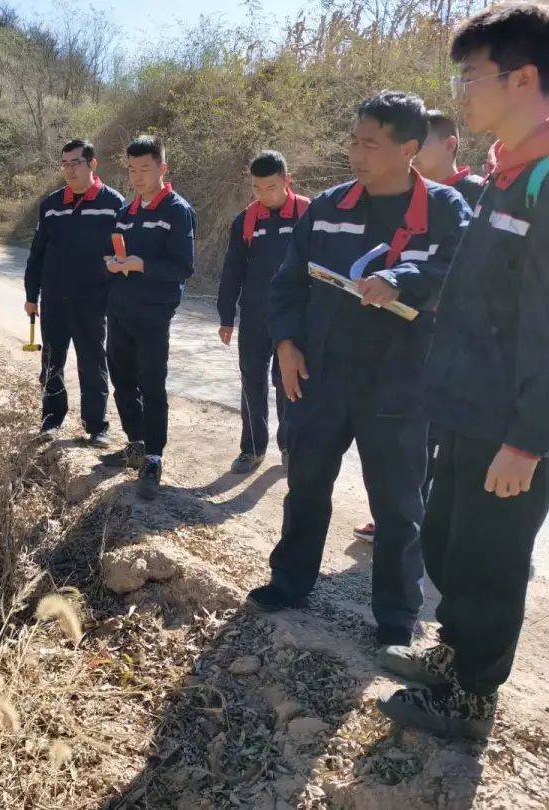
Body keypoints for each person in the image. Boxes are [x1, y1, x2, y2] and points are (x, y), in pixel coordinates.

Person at [245, 92, 471, 652]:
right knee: (306, 487)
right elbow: (288, 284)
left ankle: (395, 619)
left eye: (370, 143)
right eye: (354, 140)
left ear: (409, 149)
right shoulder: (328, 206)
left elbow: (458, 271)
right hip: (320, 375)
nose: (357, 152)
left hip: (399, 383)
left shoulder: (444, 210)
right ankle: (290, 582)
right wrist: (287, 345)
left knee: (397, 505)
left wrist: (403, 278)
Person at [378, 1, 549, 740]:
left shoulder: (545, 179)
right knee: (449, 541)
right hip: (467, 407)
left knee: (489, 558)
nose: (461, 92)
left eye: (472, 76)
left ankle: (473, 696)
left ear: (525, 78)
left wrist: (529, 438)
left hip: (512, 422)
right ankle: (453, 656)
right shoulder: (504, 172)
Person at [354, 111, 486, 543]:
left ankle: (467, 532)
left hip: (458, 338)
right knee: (408, 436)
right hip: (406, 335)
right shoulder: (399, 195)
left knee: (450, 438)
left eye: (422, 143)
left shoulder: (475, 196)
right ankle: (402, 515)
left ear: (449, 145)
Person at [105, 135, 196, 499]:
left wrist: (142, 264)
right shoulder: (127, 211)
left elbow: (183, 267)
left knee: (151, 383)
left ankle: (155, 455)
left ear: (162, 168)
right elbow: (112, 249)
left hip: (154, 313)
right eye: (132, 169)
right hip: (120, 308)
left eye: (145, 168)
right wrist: (112, 263)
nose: (138, 176)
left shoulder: (177, 210)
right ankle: (136, 443)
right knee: (122, 379)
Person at [24, 138, 125, 446]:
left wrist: (117, 299)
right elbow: (37, 252)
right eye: (65, 164)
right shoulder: (51, 205)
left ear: (92, 164)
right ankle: (51, 420)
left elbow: (121, 255)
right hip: (55, 299)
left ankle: (96, 426)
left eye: (76, 163)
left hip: (93, 301)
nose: (69, 170)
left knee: (93, 362)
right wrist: (32, 295)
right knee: (51, 362)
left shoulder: (113, 204)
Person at [217, 151, 309, 475]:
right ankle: (252, 448)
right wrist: (226, 315)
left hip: (296, 319)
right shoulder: (246, 220)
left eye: (270, 187)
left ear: (287, 181)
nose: (263, 194)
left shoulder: (307, 214)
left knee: (289, 384)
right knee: (251, 380)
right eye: (257, 188)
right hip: (255, 316)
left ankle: (290, 447)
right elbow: (232, 271)